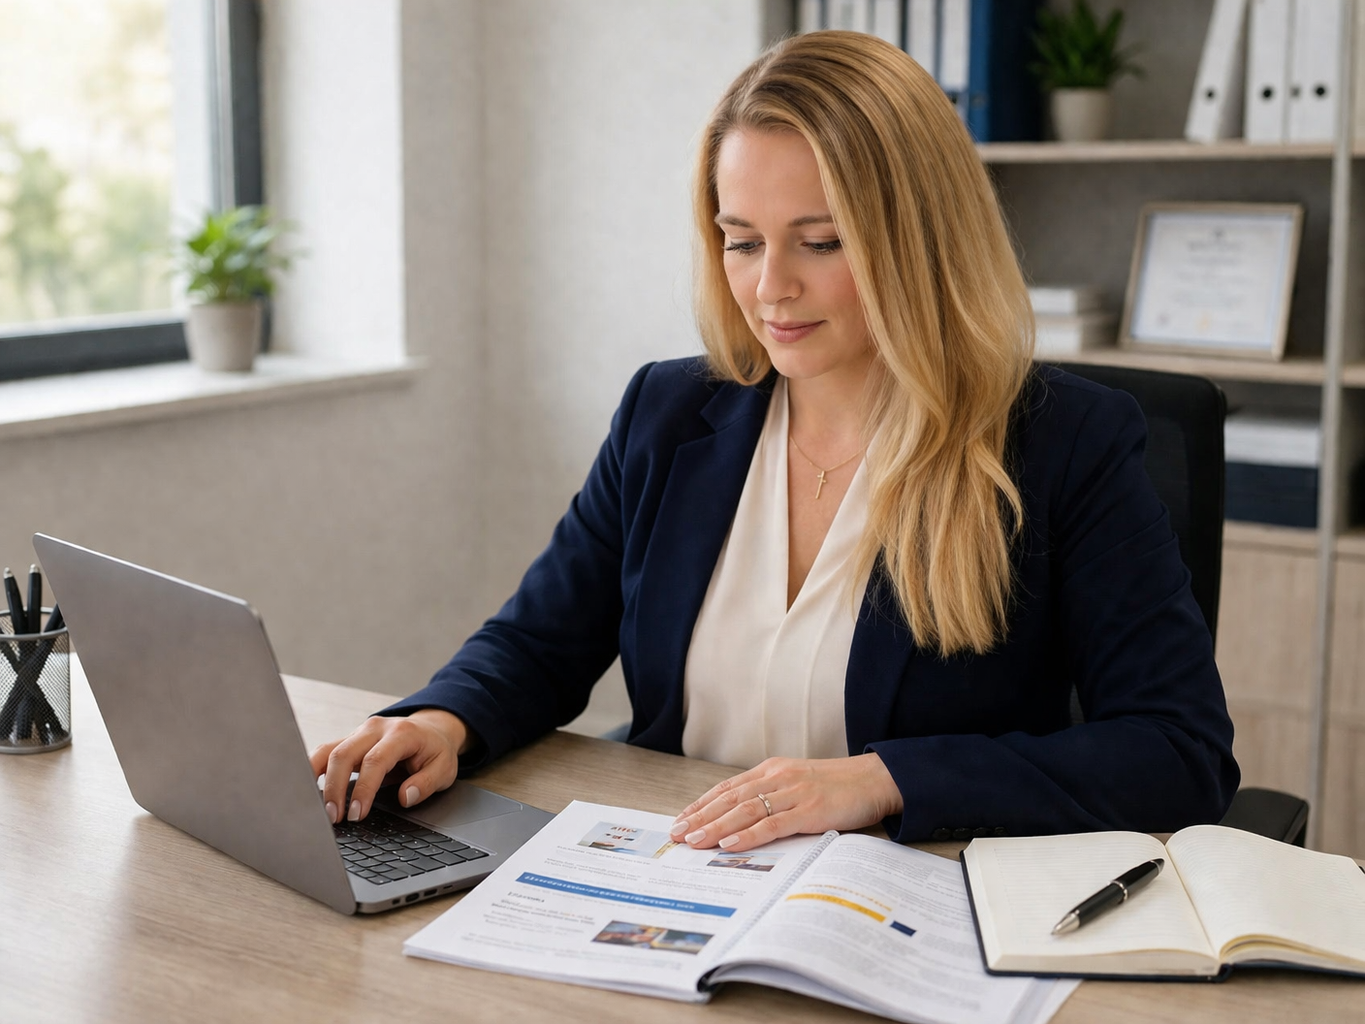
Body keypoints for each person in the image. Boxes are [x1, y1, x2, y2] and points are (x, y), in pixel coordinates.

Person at [310, 31, 1239, 853]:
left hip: (905, 898)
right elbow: (540, 640)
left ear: (918, 241)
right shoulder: (669, 411)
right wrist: (443, 717)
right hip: (676, 876)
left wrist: (883, 779)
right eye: (741, 240)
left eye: (821, 243)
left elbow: (1177, 750)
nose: (770, 290)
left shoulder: (1062, 442)